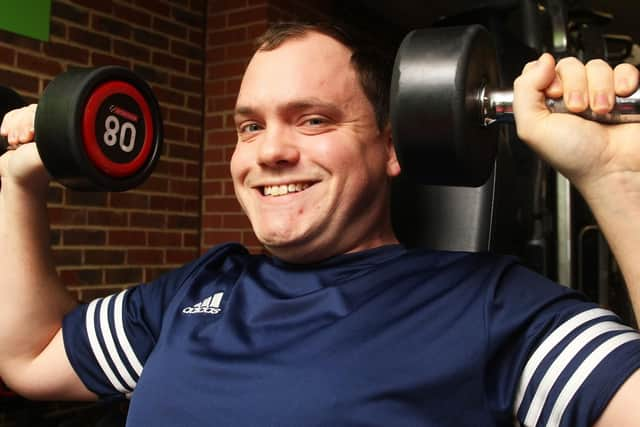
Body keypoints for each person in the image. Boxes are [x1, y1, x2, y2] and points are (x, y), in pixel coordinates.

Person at [1, 21, 640, 427]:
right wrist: (21, 183)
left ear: (391, 148)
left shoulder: (492, 306)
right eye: (251, 125)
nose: (268, 152)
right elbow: (28, 359)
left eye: (313, 120)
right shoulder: (195, 292)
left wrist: (618, 182)